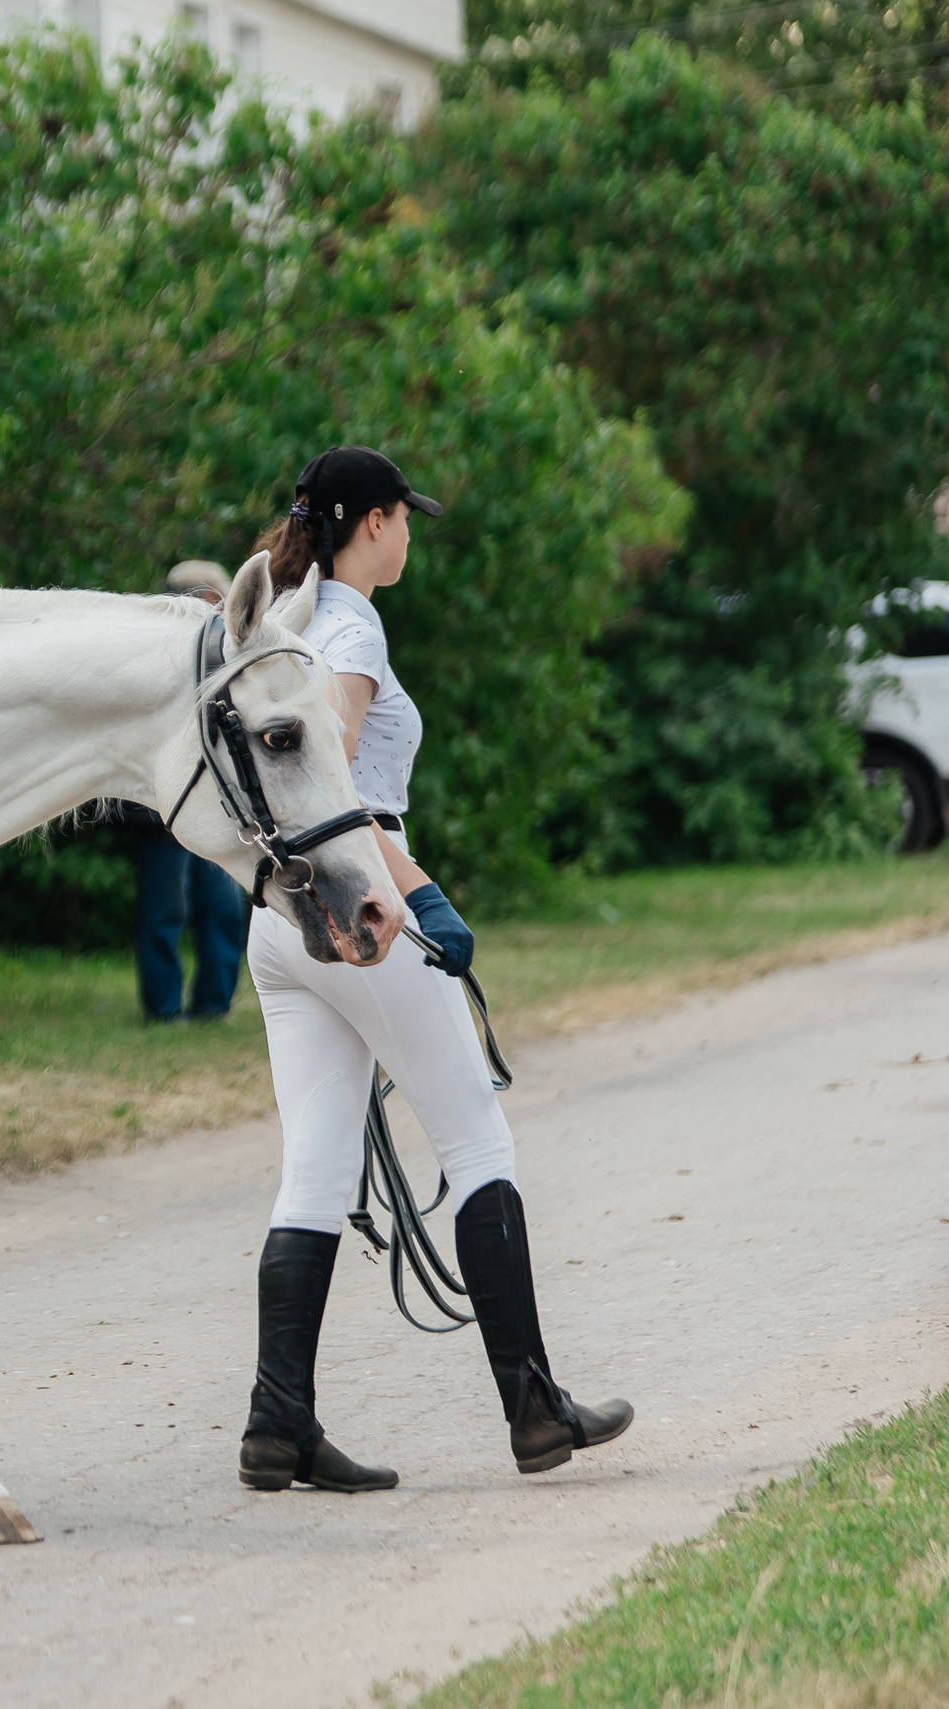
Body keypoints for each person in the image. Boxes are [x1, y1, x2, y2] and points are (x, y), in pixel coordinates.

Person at [234, 447, 632, 1492]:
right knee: (475, 1137)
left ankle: (278, 1419)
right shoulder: (352, 623)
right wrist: (420, 894)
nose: (409, 534)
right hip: (359, 904)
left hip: (275, 921)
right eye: (404, 517)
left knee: (314, 1167)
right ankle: (533, 1407)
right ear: (372, 521)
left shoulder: (281, 609)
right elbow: (332, 778)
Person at [126, 562, 249, 1023]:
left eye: (215, 600)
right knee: (165, 911)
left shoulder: (233, 661)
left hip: (220, 809)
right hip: (161, 814)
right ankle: (163, 1010)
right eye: (199, 599)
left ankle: (215, 1005)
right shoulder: (150, 662)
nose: (209, 609)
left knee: (222, 907)